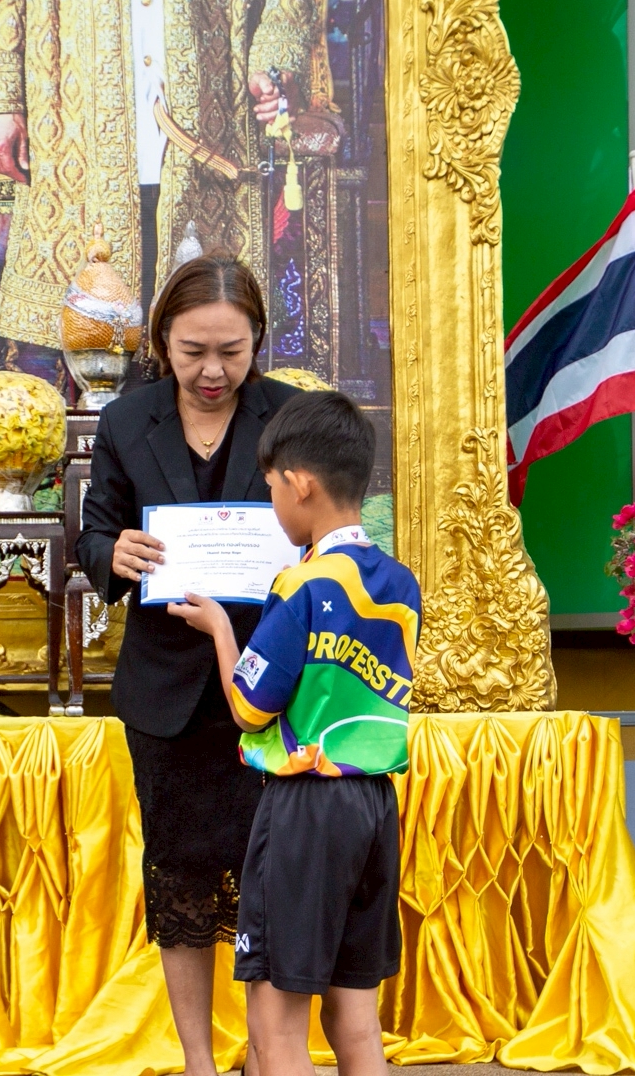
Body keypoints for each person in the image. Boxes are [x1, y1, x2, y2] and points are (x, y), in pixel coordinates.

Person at [75, 250, 299, 1076]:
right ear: (160, 340)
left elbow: (323, 526)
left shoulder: (287, 416)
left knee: (267, 880)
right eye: (192, 350)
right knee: (179, 884)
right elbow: (92, 531)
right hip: (165, 691)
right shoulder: (126, 421)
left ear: (257, 342)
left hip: (268, 684)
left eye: (230, 352)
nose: (211, 371)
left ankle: (266, 1053)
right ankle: (199, 1062)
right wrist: (112, 553)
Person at [167, 389, 420, 1076]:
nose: (273, 500)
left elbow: (250, 708)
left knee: (274, 1026)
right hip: (373, 804)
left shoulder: (301, 583)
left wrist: (221, 630)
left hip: (305, 806)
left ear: (300, 483)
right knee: (354, 1019)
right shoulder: (400, 583)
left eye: (272, 486)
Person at [0, 0, 337, 348]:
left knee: (204, 331)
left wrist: (276, 62)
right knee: (93, 343)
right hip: (76, 86)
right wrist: (0, 99)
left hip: (213, 82)